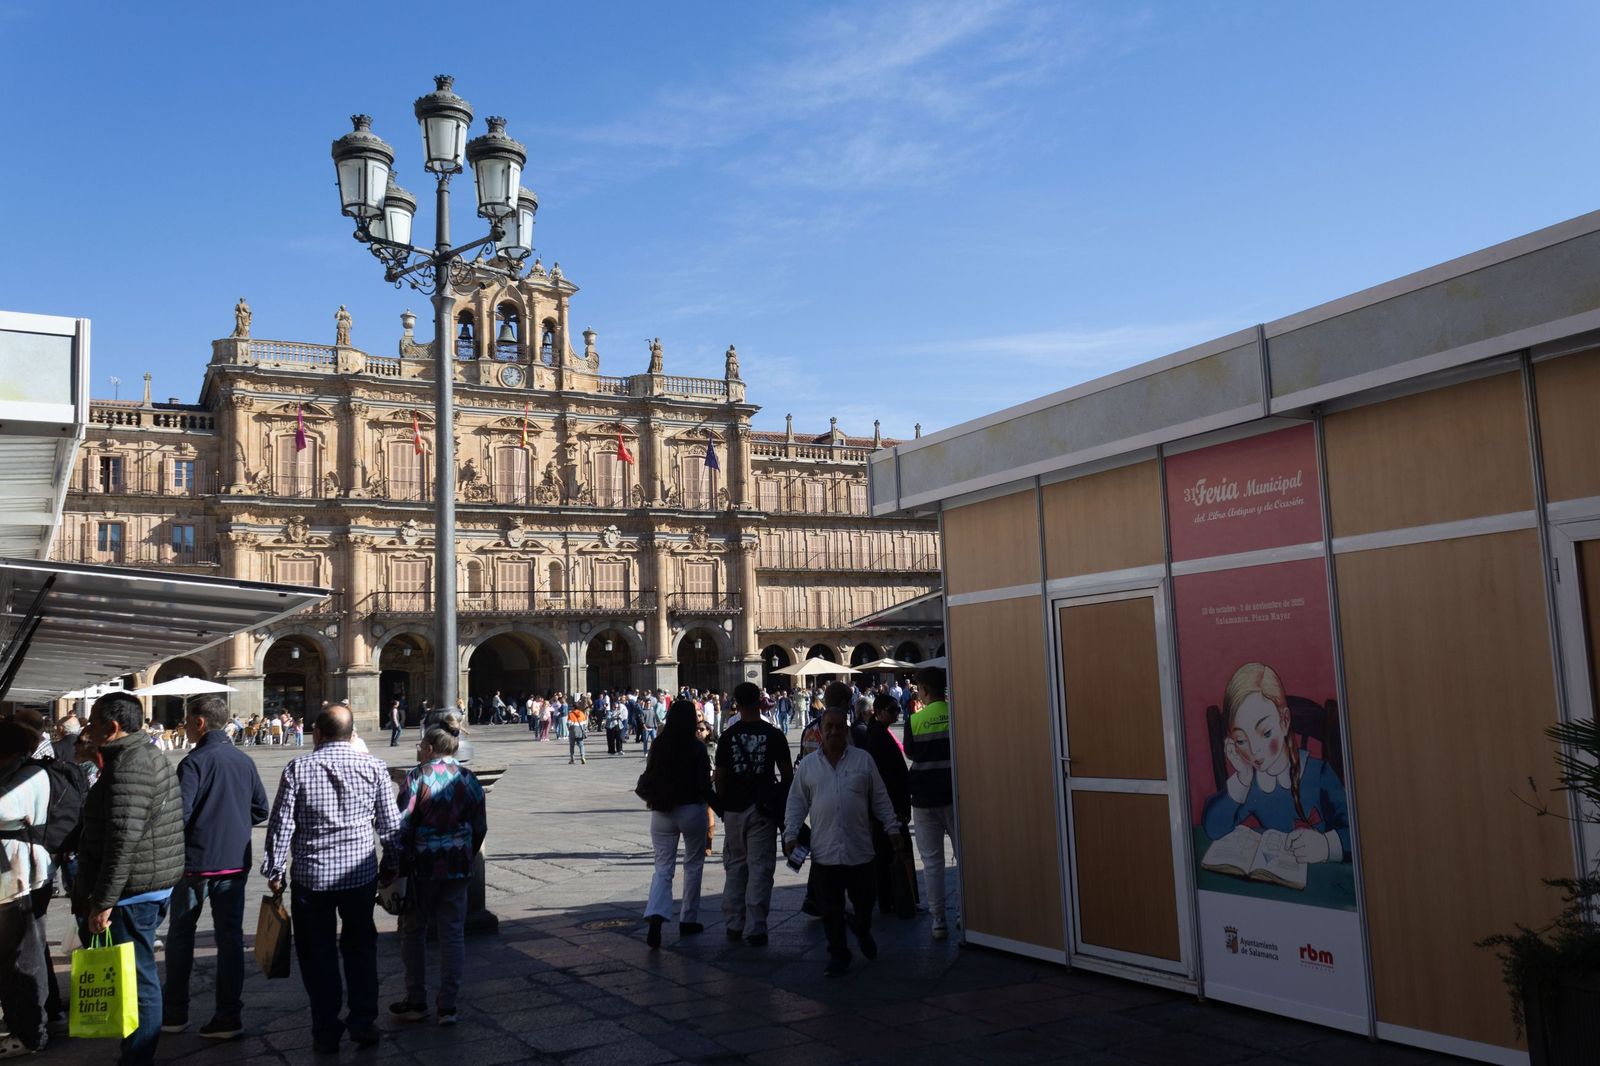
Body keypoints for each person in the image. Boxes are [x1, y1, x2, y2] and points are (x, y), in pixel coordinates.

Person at [262, 704, 401, 1054]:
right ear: (352, 734)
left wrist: (275, 871)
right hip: (359, 875)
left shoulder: (298, 768)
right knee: (360, 947)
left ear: (317, 734)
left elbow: (281, 826)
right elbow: (390, 826)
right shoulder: (374, 767)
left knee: (317, 953)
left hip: (312, 878)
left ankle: (326, 1029)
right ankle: (363, 1022)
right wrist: (392, 863)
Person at [74, 691, 186, 1066]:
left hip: (133, 891)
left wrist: (103, 900)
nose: (87, 727)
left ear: (113, 726)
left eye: (92, 721)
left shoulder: (132, 765)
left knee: (139, 980)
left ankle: (137, 1058)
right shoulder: (138, 755)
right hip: (145, 881)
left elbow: (123, 837)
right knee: (138, 975)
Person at [161, 696, 269, 1039]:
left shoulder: (193, 763)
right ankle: (228, 1016)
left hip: (194, 865)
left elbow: (181, 814)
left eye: (188, 720)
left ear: (200, 723)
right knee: (230, 939)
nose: (186, 727)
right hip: (234, 864)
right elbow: (260, 809)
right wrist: (233, 822)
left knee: (180, 936)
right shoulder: (243, 760)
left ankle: (175, 1013)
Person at [783, 706, 904, 977]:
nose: (834, 731)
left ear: (847, 730)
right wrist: (790, 834)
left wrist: (892, 827)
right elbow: (796, 803)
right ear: (821, 732)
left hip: (860, 848)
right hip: (825, 850)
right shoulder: (808, 766)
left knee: (864, 904)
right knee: (830, 909)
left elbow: (880, 798)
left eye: (839, 727)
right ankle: (838, 954)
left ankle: (861, 930)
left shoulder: (863, 760)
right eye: (829, 727)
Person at [1201, 662, 1351, 864]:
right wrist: (1242, 778)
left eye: (1265, 733)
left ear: (1285, 721)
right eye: (1241, 740)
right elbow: (1213, 828)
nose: (1254, 751)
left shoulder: (1320, 774)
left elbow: (1356, 830)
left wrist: (1325, 845)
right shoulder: (1252, 782)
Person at [389, 728, 486, 1026]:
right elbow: (480, 823)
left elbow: (402, 823)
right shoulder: (468, 778)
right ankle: (448, 1005)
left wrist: (396, 859)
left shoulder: (418, 776)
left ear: (430, 748)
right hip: (458, 864)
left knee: (414, 931)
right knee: (453, 932)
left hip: (423, 866)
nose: (419, 750)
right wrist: (467, 851)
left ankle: (416, 999)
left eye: (420, 745)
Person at [715, 682, 793, 947]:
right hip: (762, 808)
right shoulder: (773, 734)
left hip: (734, 809)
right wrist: (776, 799)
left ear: (736, 702)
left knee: (736, 865)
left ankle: (734, 923)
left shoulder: (728, 736)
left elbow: (720, 777)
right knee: (760, 867)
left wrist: (724, 804)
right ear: (760, 702)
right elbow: (787, 774)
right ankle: (756, 927)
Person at [0, 720, 55, 1057]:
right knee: (23, 953)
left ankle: (30, 1032)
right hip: (17, 872)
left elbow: (4, 809)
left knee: (18, 957)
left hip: (19, 874)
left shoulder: (30, 773)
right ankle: (37, 1023)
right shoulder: (23, 770)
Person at [640, 699, 714, 949]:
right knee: (693, 865)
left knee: (662, 867)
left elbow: (649, 774)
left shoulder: (660, 744)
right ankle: (688, 919)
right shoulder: (697, 747)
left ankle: (656, 919)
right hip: (692, 810)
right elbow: (705, 785)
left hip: (662, 811)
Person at [907, 666, 958, 940]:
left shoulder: (915, 720)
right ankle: (965, 913)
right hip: (953, 793)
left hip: (924, 797)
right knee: (962, 856)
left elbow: (911, 751)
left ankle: (938, 920)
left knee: (932, 861)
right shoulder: (956, 714)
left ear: (924, 690)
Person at [866, 693, 915, 918]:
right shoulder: (878, 736)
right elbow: (888, 776)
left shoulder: (879, 733)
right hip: (889, 806)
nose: (896, 714)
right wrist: (898, 808)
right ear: (879, 711)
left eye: (897, 710)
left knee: (886, 854)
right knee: (890, 854)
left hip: (888, 805)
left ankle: (893, 899)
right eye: (892, 710)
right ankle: (894, 899)